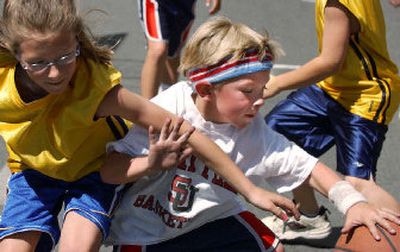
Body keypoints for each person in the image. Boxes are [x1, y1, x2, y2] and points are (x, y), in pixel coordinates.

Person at [0, 1, 300, 251]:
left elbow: (187, 130)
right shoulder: (4, 82)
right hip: (34, 175)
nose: (54, 73)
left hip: (94, 174)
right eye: (38, 63)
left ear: (77, 43)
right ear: (14, 55)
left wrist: (250, 190)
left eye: (66, 56)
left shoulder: (96, 88)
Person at [101, 16, 400, 252]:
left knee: (270, 246)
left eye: (263, 88)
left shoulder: (252, 129)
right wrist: (151, 163)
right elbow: (110, 170)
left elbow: (311, 169)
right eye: (248, 91)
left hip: (211, 218)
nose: (260, 99)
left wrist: (353, 203)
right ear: (206, 89)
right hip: (148, 230)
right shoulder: (168, 109)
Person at [262, 0, 400, 241]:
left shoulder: (338, 4)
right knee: (278, 133)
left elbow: (330, 61)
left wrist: (276, 84)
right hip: (332, 88)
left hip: (366, 94)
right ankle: (309, 216)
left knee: (358, 182)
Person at [138, 0, 222, 99]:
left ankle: (166, 103)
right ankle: (146, 107)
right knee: (158, 50)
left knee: (172, 55)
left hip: (184, 5)